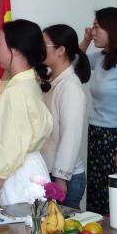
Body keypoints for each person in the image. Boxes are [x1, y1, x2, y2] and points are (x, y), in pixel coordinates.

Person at [0, 19, 53, 206]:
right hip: (32, 169)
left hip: (16, 176)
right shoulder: (28, 83)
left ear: (16, 50)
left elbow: (10, 146)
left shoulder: (16, 91)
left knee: (17, 224)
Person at [79, 8, 117, 213]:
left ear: (111, 29)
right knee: (97, 193)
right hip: (97, 133)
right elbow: (73, 64)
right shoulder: (100, 57)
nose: (93, 31)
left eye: (97, 27)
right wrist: (86, 39)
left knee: (115, 198)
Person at [40, 24, 91, 209]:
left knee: (63, 225)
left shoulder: (70, 87)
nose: (39, 49)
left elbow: (71, 135)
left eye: (43, 45)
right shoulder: (52, 80)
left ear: (61, 50)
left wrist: (60, 178)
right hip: (48, 171)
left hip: (65, 177)